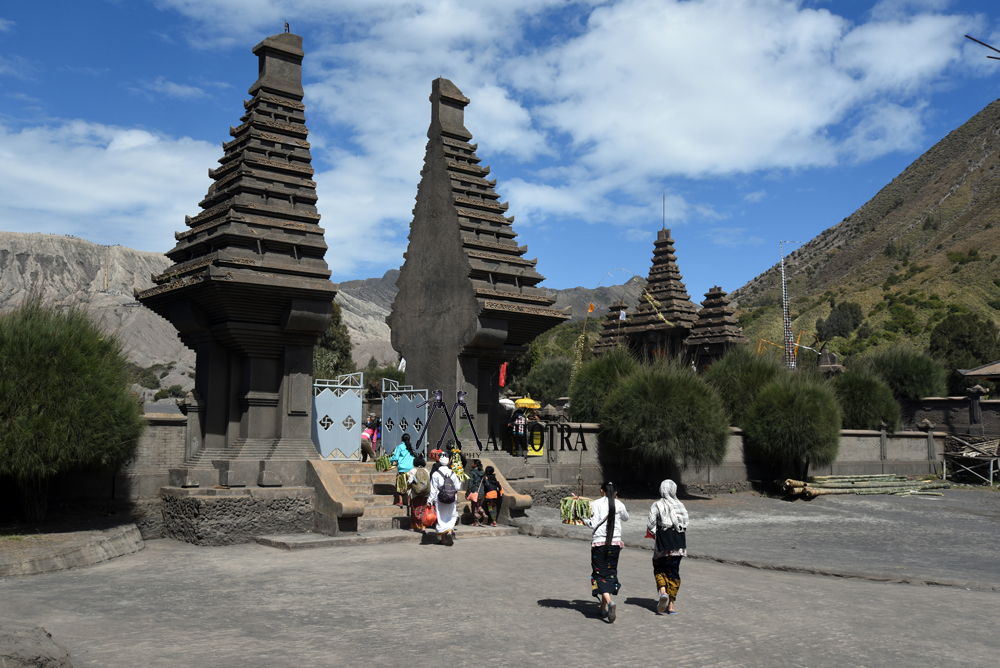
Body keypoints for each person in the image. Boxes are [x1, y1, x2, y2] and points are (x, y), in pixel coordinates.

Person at [584, 481, 628, 623]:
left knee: (598, 573)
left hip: (599, 544)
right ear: (615, 492)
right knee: (609, 573)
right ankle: (603, 608)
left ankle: (609, 602)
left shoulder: (596, 503)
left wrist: (583, 520)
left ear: (602, 490)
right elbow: (626, 518)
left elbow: (593, 523)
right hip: (615, 544)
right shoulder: (619, 504)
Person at [646, 479, 688, 615]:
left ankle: (663, 592)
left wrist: (653, 532)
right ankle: (671, 605)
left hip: (663, 543)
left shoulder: (657, 504)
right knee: (673, 571)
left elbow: (651, 524)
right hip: (679, 543)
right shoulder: (681, 505)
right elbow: (686, 523)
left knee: (658, 568)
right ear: (673, 490)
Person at [428, 453, 461, 546]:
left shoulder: (435, 474)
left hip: (440, 499)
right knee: (451, 516)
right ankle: (450, 533)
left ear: (439, 461)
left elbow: (433, 489)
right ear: (448, 461)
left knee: (441, 518)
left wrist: (429, 501)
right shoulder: (453, 473)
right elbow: (457, 487)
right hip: (451, 499)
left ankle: (442, 540)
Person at [390, 433, 415, 507]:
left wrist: (389, 459)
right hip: (410, 470)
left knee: (400, 486)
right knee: (410, 487)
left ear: (402, 439)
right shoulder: (411, 448)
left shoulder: (399, 447)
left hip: (402, 470)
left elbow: (395, 458)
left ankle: (401, 502)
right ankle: (410, 502)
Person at [406, 454, 430, 533]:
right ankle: (423, 527)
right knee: (423, 510)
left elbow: (409, 481)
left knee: (414, 510)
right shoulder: (426, 471)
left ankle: (413, 527)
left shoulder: (413, 471)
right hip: (425, 494)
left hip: (415, 493)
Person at [465, 459, 487, 526]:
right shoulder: (482, 472)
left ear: (475, 464)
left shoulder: (472, 472)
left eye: (473, 463)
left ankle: (476, 522)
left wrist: (467, 493)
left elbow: (470, 484)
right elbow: (486, 482)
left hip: (475, 491)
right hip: (481, 491)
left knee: (474, 507)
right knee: (479, 505)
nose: (472, 464)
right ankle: (484, 514)